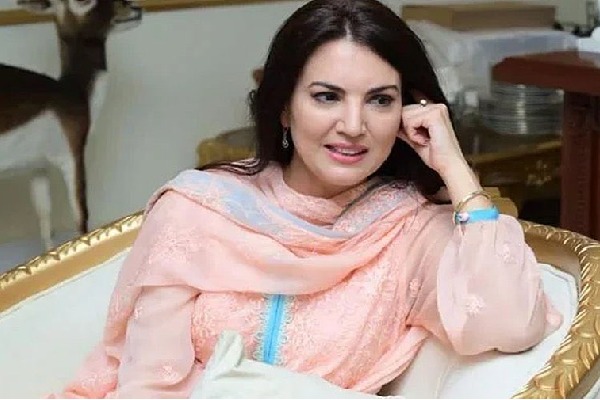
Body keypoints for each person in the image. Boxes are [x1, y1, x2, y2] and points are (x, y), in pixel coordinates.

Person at [54, 0, 562, 397]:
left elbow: (512, 323)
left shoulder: (409, 232)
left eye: (380, 100)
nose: (353, 126)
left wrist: (455, 169)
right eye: (327, 96)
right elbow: (149, 386)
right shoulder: (197, 211)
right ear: (284, 106)